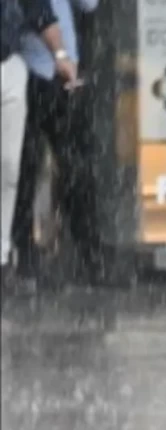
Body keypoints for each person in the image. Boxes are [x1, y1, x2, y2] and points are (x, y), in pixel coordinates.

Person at [9, 0, 92, 289]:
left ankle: (85, 253)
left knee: (74, 166)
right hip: (32, 68)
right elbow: (34, 12)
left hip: (61, 72)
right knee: (22, 170)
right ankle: (24, 257)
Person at [3, 0, 61, 282]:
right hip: (22, 64)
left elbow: (40, 12)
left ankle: (6, 253)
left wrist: (61, 54)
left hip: (12, 63)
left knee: (12, 167)